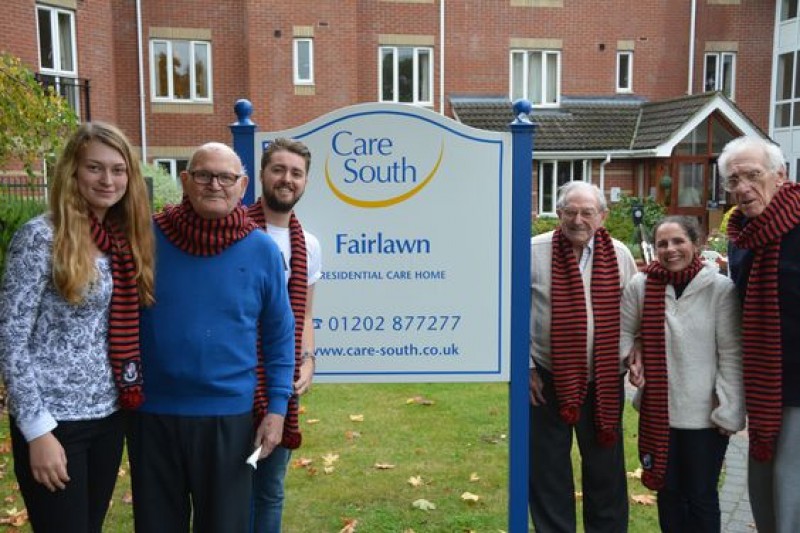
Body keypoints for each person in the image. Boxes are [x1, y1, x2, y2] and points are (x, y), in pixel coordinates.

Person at [126, 142, 295, 532]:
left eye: (226, 177)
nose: (214, 185)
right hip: (152, 415)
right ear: (185, 180)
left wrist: (277, 409)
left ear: (242, 185)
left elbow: (279, 337)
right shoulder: (145, 240)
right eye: (203, 175)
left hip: (228, 417)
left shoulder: (262, 251)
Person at [0, 122, 155, 532]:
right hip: (55, 422)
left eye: (118, 169)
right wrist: (36, 431)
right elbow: (11, 339)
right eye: (95, 168)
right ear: (72, 171)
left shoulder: (121, 240)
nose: (108, 180)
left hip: (107, 414)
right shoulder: (40, 238)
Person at [621, 215, 744, 532]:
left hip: (705, 417)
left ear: (697, 244)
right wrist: (633, 350)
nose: (670, 249)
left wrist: (730, 408)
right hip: (659, 414)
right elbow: (622, 333)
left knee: (701, 497)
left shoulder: (720, 289)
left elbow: (731, 352)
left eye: (679, 241)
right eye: (662, 243)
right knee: (669, 495)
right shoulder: (641, 286)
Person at [529, 181, 637, 533]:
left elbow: (635, 311)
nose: (578, 219)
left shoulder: (619, 254)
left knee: (605, 470)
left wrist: (636, 348)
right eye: (570, 211)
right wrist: (525, 366)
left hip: (603, 380)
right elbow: (510, 312)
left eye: (587, 212)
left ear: (602, 216)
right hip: (544, 378)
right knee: (548, 469)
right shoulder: (532, 252)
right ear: (558, 214)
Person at [719, 135, 800, 533]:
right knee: (763, 488)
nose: (743, 188)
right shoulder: (743, 238)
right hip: (765, 388)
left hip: (799, 389)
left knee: (791, 493)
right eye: (733, 180)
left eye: (753, 175)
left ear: (780, 176)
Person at [247, 138, 322, 532]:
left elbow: (306, 312)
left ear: (305, 181)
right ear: (262, 174)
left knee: (271, 488)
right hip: (237, 382)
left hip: (281, 383)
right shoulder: (235, 232)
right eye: (278, 169)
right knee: (235, 487)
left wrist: (308, 360)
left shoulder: (308, 245)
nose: (286, 179)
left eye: (296, 173)